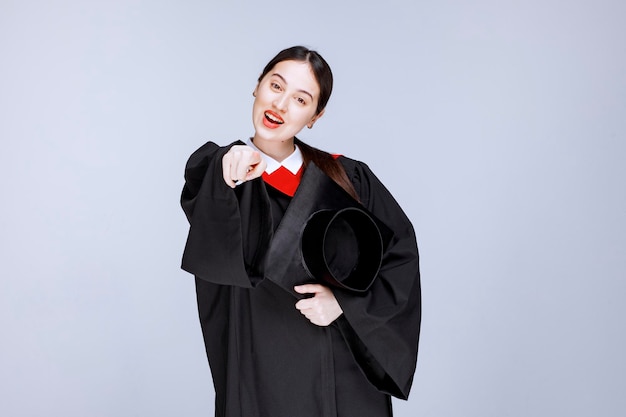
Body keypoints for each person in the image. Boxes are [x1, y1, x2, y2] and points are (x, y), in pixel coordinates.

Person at [180, 45, 421, 417]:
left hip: (344, 380)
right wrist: (226, 167)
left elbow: (399, 255)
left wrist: (345, 304)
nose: (281, 104)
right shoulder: (226, 172)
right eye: (276, 86)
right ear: (257, 87)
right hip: (262, 379)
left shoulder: (346, 177)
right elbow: (208, 219)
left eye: (301, 99)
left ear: (315, 116)